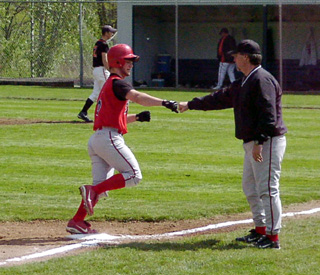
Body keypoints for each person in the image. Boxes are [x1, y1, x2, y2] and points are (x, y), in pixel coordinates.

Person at [179, 39, 287, 249]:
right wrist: (190, 104)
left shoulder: (262, 79)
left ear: (246, 57)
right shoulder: (246, 80)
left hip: (267, 141)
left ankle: (273, 237)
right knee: (250, 187)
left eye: (236, 55)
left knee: (267, 189)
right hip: (254, 141)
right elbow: (220, 98)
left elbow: (268, 114)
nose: (234, 58)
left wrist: (261, 141)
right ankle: (260, 229)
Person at [67, 44, 178, 234]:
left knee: (100, 189)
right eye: (128, 60)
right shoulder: (118, 82)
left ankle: (77, 220)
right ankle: (91, 191)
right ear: (117, 61)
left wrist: (137, 118)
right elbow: (137, 96)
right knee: (134, 175)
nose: (131, 64)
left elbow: (113, 119)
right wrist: (164, 102)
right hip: (108, 139)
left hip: (98, 140)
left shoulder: (110, 85)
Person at [77, 25, 117, 122]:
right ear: (106, 33)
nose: (112, 34)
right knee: (108, 92)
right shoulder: (103, 44)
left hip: (97, 70)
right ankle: (107, 115)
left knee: (96, 93)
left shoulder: (97, 43)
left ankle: (83, 112)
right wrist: (111, 70)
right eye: (111, 32)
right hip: (102, 69)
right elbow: (104, 59)